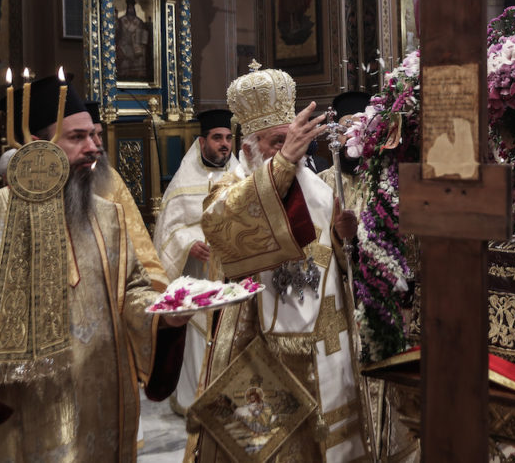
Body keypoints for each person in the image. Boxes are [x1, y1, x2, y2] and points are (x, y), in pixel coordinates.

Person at [0, 75, 187, 461]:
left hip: (98, 414)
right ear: (36, 146)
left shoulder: (108, 219)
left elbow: (131, 290)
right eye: (78, 137)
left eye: (94, 136)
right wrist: (4, 323)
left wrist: (165, 319)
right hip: (19, 422)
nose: (94, 147)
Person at [189, 63, 365, 462]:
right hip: (261, 344)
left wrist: (341, 236)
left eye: (294, 141)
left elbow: (332, 260)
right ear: (249, 148)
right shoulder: (229, 186)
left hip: (327, 340)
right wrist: (283, 162)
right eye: (277, 143)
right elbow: (222, 224)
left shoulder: (317, 186)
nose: (293, 151)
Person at [155, 108, 239, 415]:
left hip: (232, 275)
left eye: (229, 138)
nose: (225, 144)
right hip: (197, 275)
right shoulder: (183, 181)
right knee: (197, 335)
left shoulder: (240, 177)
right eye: (217, 138)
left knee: (232, 334)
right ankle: (193, 400)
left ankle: (230, 397)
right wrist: (189, 242)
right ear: (202, 141)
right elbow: (168, 231)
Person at [84, 100, 170, 294]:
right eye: (86, 136)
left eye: (99, 135)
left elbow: (138, 242)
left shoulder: (111, 179)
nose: (97, 144)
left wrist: (157, 291)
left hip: (116, 295)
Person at [317, 91, 371, 214]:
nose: (348, 137)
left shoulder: (382, 182)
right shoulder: (321, 181)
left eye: (355, 131)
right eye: (343, 131)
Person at [116, 0, 152, 80]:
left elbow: (144, 36)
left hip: (136, 48)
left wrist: (141, 44)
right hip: (125, 46)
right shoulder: (121, 21)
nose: (130, 10)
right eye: (129, 8)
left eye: (132, 8)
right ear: (127, 8)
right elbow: (118, 34)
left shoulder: (139, 22)